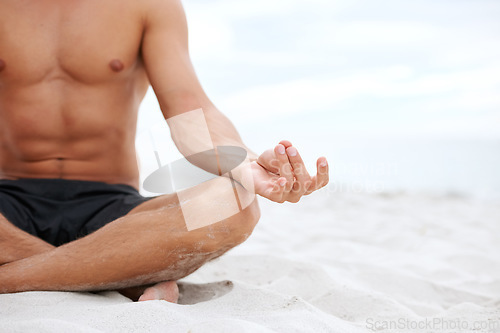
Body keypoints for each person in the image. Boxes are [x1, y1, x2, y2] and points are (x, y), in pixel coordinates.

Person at [0, 0, 329, 302]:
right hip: (7, 203)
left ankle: (12, 277)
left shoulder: (148, 5)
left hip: (115, 211)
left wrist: (243, 161)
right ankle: (113, 276)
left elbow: (187, 107)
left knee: (236, 203)